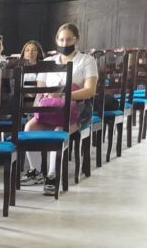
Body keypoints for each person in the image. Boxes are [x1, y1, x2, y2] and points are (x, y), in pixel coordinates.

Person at [22, 23, 98, 196]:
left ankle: (51, 175)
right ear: (57, 40)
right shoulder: (48, 63)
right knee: (29, 128)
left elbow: (90, 90)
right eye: (61, 39)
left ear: (76, 40)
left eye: (68, 39)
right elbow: (40, 92)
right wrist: (38, 110)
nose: (65, 43)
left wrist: (64, 97)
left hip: (76, 109)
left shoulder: (86, 60)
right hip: (49, 109)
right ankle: (35, 171)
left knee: (58, 130)